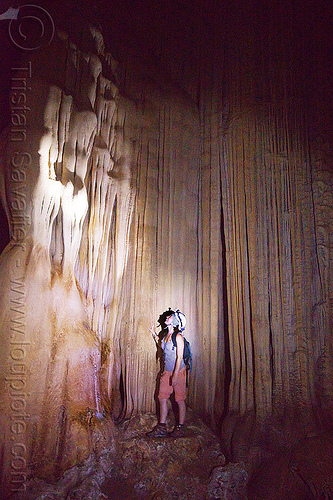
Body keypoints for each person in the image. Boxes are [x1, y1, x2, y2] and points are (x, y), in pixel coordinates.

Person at [146, 308, 187, 438]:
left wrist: (175, 375)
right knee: (162, 397)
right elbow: (161, 345)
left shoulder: (178, 337)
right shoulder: (165, 336)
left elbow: (179, 357)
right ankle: (162, 427)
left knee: (179, 399)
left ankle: (180, 427)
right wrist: (153, 334)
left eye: (170, 316)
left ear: (175, 321)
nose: (167, 317)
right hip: (167, 371)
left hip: (178, 371)